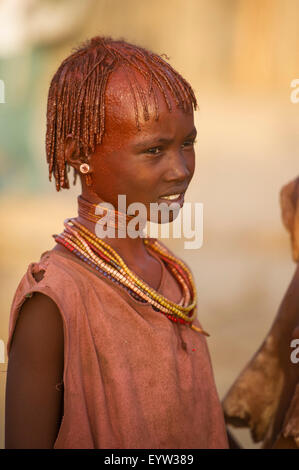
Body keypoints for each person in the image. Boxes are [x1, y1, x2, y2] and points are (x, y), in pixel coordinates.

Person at [5, 36, 229, 449]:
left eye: (187, 144)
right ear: (79, 155)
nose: (180, 170)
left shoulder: (171, 277)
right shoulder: (56, 300)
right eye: (154, 150)